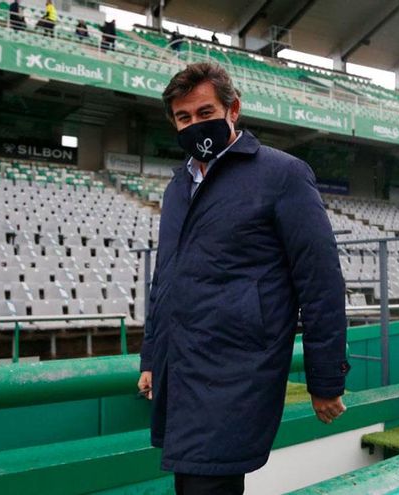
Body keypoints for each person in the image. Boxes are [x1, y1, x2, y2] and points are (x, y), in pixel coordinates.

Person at [137, 63, 349, 495]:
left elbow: (321, 281)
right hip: (182, 366)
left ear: (233, 109)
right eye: (184, 118)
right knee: (194, 480)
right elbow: (166, 279)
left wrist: (325, 380)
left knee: (205, 481)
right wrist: (150, 357)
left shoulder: (282, 174)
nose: (195, 125)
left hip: (236, 370)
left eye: (205, 112)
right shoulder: (178, 186)